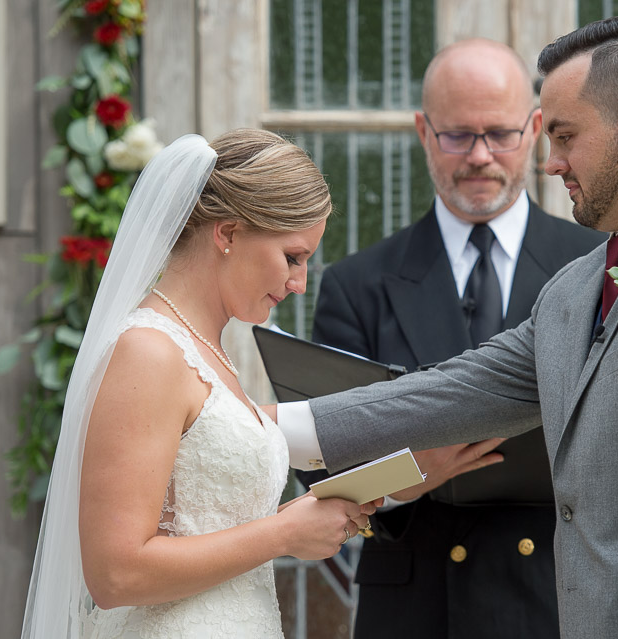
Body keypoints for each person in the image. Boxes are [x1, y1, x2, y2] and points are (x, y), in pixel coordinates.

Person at [272, 17, 618, 639]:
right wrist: (261, 427)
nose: (550, 162)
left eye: (563, 135)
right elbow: (462, 388)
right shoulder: (582, 281)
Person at [21, 129, 380, 639]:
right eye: (292, 257)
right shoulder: (148, 352)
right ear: (228, 234)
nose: (299, 284)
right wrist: (282, 533)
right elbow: (116, 573)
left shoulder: (206, 351)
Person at [299, 39, 603, 639]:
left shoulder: (599, 264)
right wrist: (409, 473)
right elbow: (319, 473)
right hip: (416, 610)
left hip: (558, 602)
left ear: (537, 128)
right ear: (423, 131)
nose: (480, 156)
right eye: (457, 135)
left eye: (500, 134)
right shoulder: (356, 285)